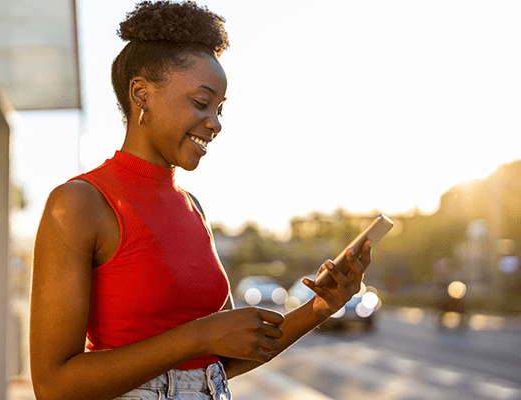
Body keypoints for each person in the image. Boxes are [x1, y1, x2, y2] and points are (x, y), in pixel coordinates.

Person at [29, 1, 371, 399]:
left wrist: (319, 308)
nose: (216, 123)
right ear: (141, 94)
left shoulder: (193, 208)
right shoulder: (79, 204)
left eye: (220, 109)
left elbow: (224, 354)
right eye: (201, 102)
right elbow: (53, 386)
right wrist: (198, 335)